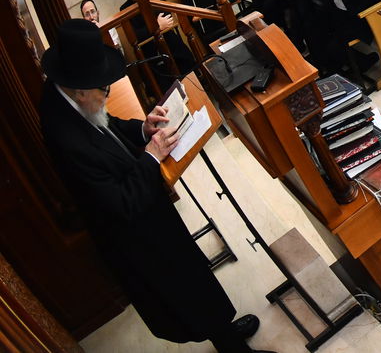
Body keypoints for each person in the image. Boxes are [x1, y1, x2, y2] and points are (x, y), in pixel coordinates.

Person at [38, 20, 273, 353]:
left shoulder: (70, 94)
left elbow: (107, 125)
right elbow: (119, 203)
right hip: (137, 234)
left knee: (197, 282)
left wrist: (143, 130)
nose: (107, 94)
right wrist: (150, 158)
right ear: (79, 90)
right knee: (186, 292)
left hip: (148, 209)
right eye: (103, 88)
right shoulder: (66, 137)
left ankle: (225, 335)